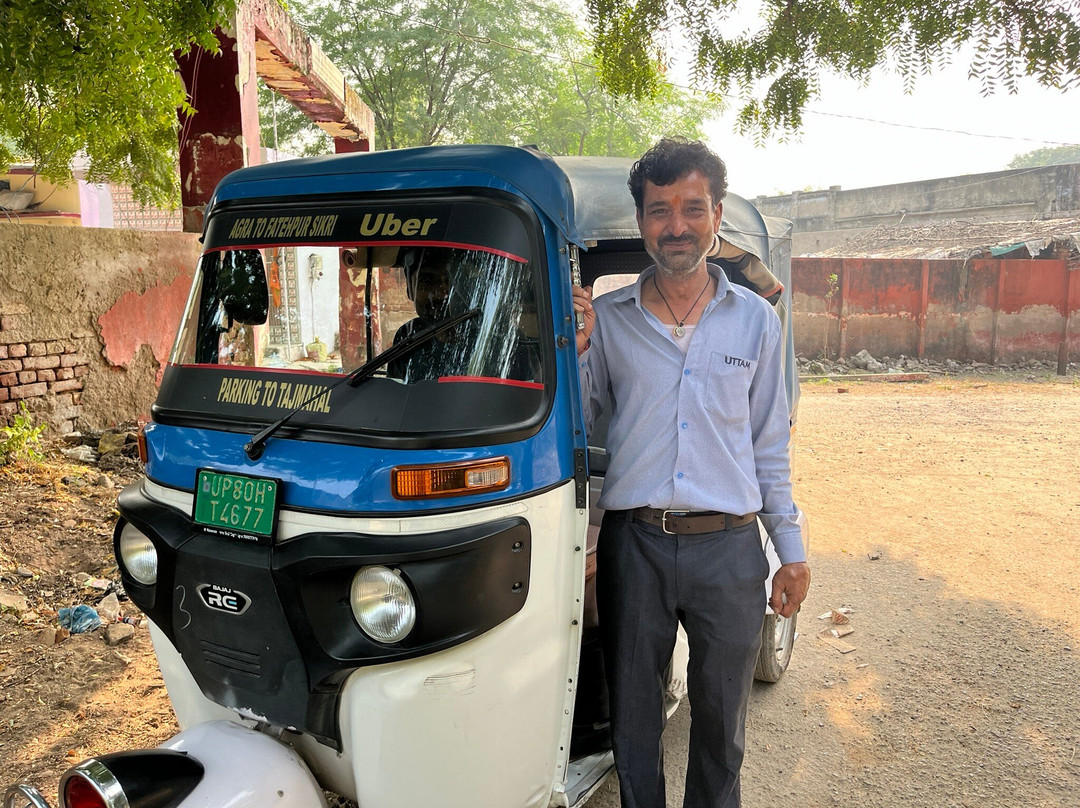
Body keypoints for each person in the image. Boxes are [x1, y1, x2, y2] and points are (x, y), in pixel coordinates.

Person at [573, 137, 810, 808]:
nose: (675, 226)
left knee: (720, 725)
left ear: (717, 213)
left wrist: (789, 553)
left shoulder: (757, 323)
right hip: (635, 546)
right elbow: (584, 422)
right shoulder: (610, 322)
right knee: (636, 723)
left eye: (691, 208)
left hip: (731, 550)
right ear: (641, 220)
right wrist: (577, 348)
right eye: (658, 210)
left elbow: (769, 446)